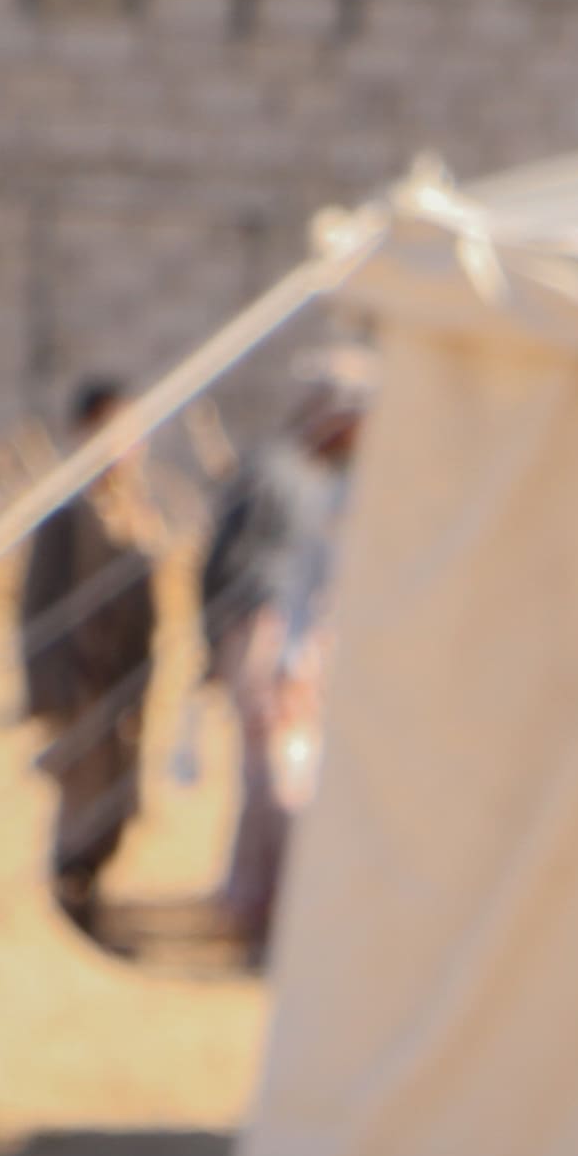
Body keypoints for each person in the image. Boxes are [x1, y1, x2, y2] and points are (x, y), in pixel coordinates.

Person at [201, 353, 366, 964]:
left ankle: (259, 903)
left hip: (290, 646)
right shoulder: (282, 474)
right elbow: (252, 574)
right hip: (267, 640)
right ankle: (260, 909)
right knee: (274, 779)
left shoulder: (326, 480)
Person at [15, 380, 160, 945]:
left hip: (124, 685)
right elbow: (38, 610)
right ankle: (73, 910)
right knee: (81, 803)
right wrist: (51, 695)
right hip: (81, 689)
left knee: (117, 802)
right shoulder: (65, 515)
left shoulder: (135, 512)